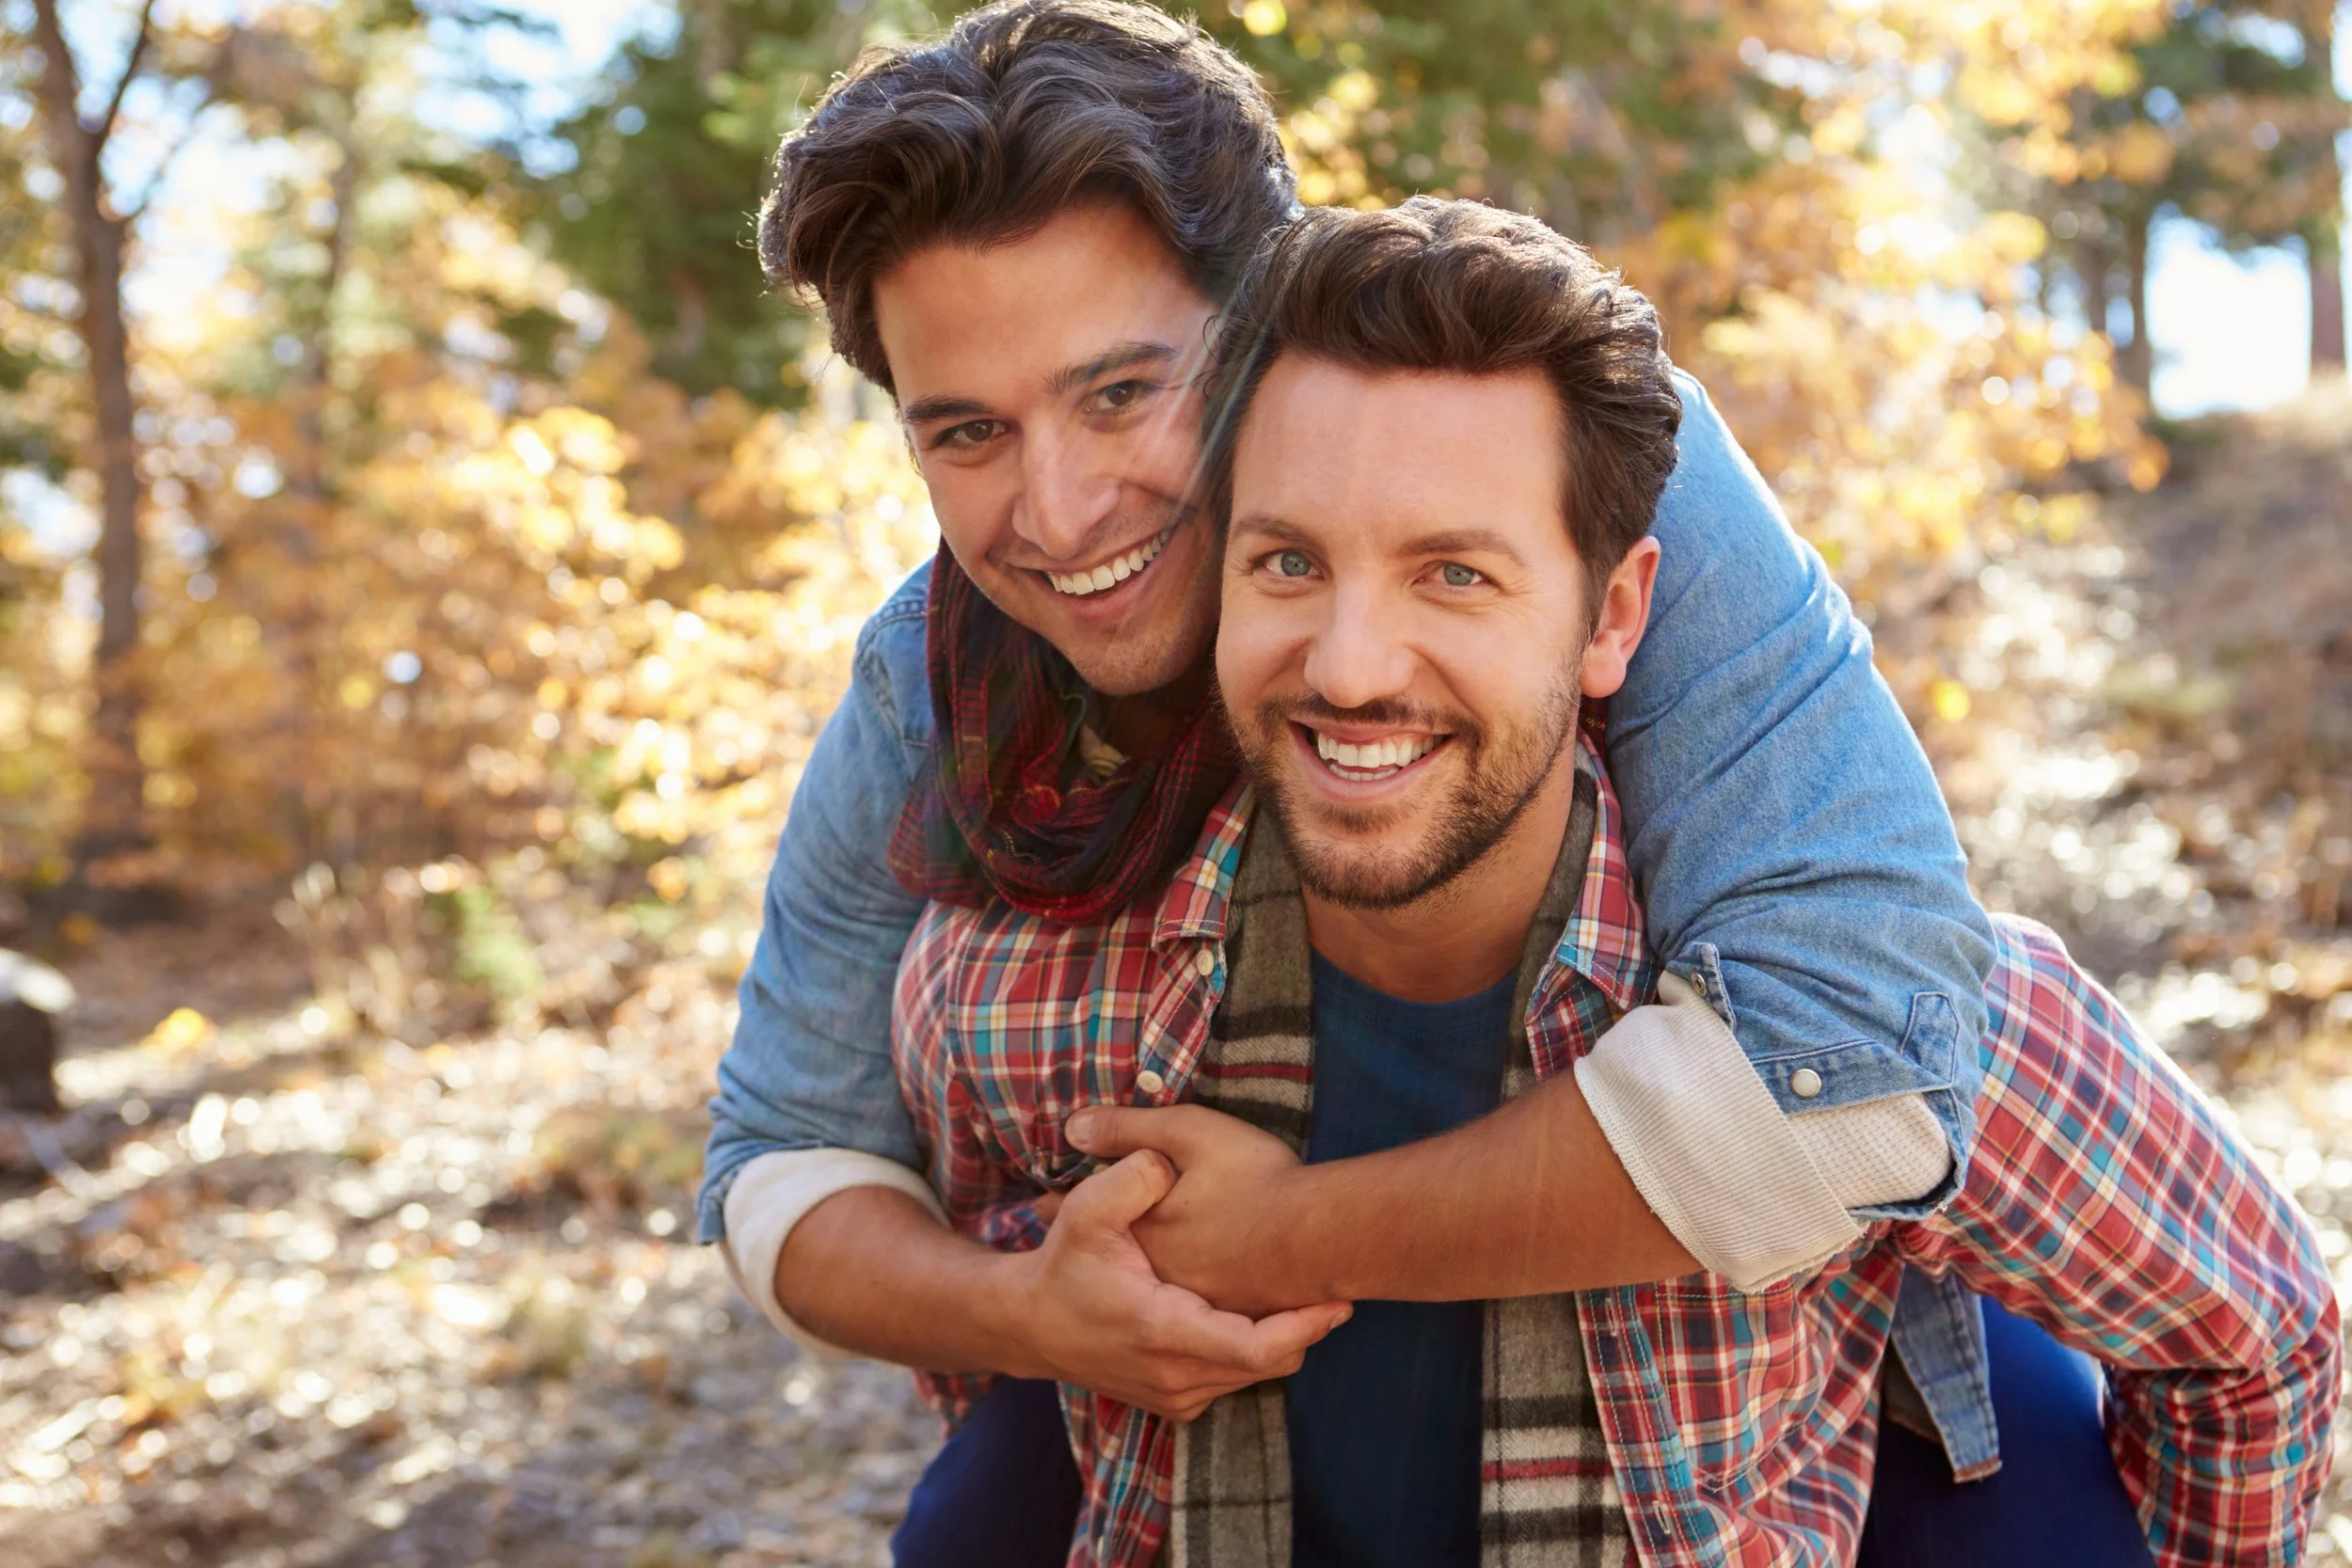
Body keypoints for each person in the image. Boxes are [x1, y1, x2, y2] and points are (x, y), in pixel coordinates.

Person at [880, 197, 2339, 1567]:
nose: (1349, 665)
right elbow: (984, 1354)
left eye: (1454, 574)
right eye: (1288, 563)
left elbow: (2256, 1335)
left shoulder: (1873, 1024)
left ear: (1614, 615)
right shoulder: (1016, 999)